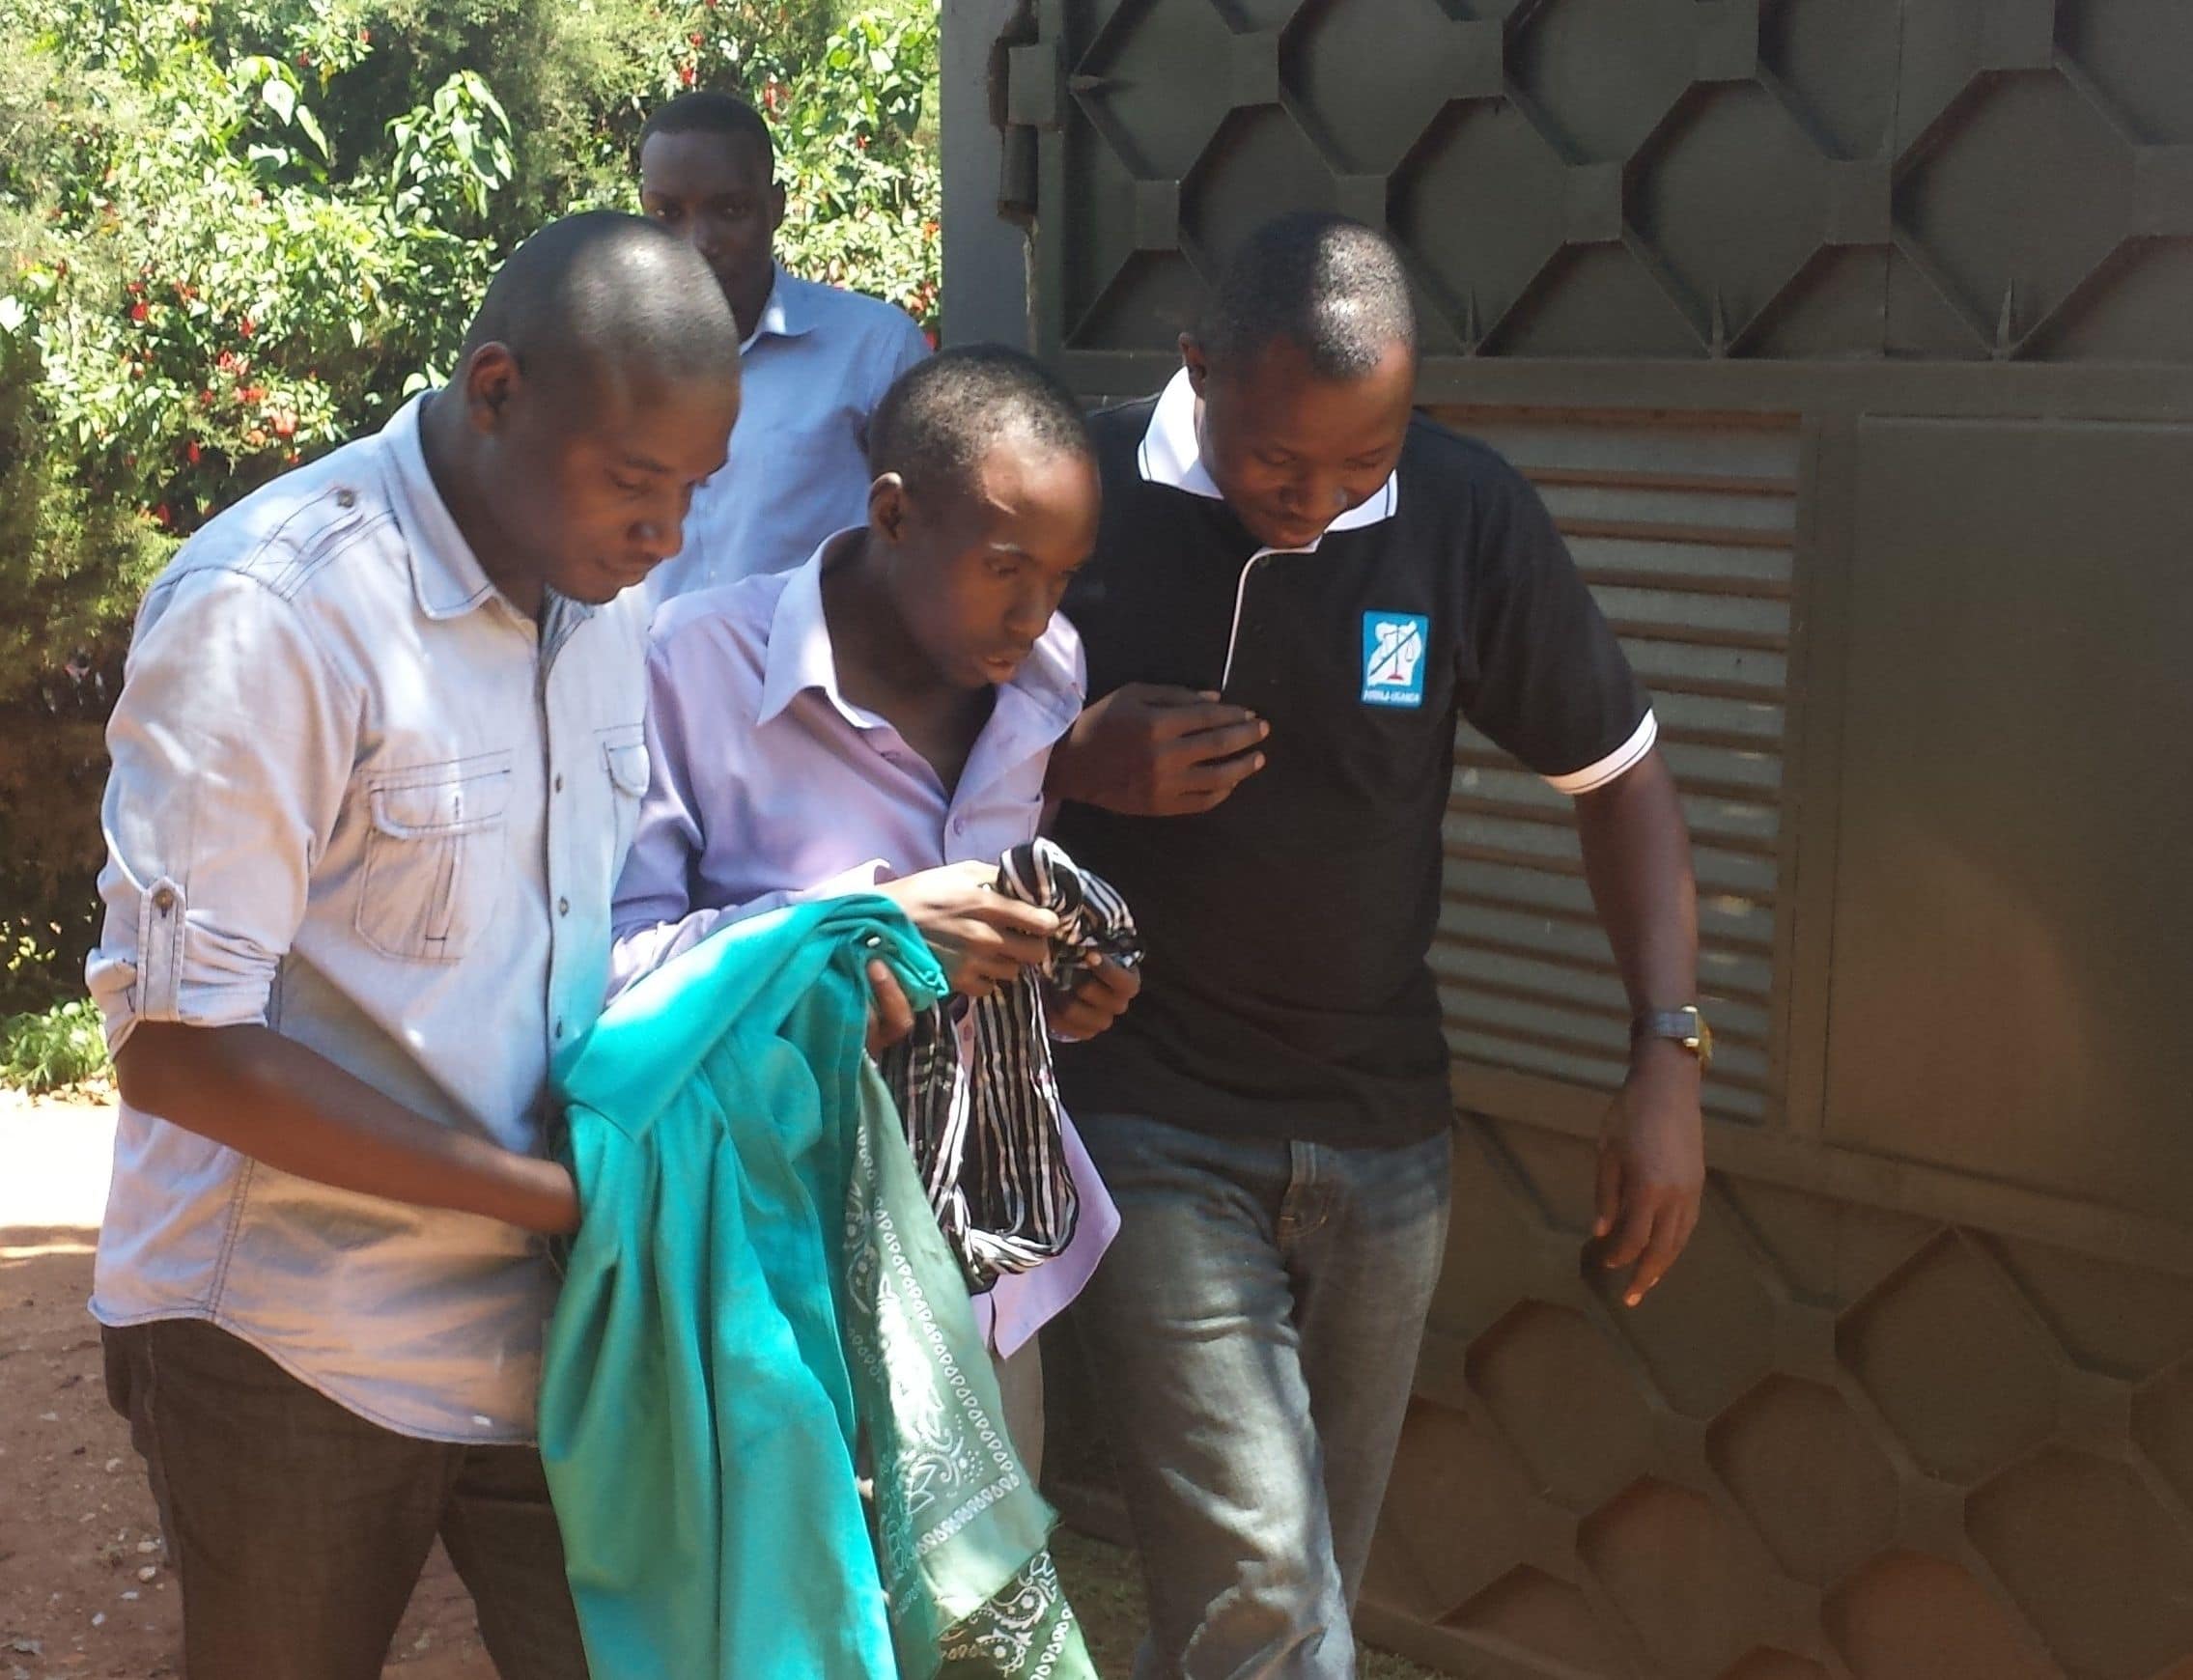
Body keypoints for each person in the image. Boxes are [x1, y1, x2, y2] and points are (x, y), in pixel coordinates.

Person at [1047, 212, 1709, 1678]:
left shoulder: (1463, 514)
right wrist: (1069, 765)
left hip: (1383, 1147)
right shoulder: (1072, 486)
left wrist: (1666, 1050)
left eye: (1367, 459)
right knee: (1274, 1603)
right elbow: (891, 752)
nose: (1322, 500)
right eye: (1281, 460)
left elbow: (1623, 783)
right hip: (1144, 1121)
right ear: (1196, 370)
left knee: (1276, 1604)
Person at [83, 211, 743, 1680]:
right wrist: (544, 1196)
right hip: (290, 1340)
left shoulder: (604, 609)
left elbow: (574, 941)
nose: (667, 537)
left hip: (552, 1332)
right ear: (497, 388)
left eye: (696, 492)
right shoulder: (276, 611)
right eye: (637, 482)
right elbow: (182, 1051)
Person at [608, 344, 1135, 1470]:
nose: (1036, 613)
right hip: (769, 1266)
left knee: (979, 1636)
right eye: (1006, 569)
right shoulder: (689, 669)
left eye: (1063, 576)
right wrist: (860, 935)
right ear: (894, 516)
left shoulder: (1046, 677)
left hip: (985, 1272)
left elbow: (989, 942)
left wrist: (1056, 984)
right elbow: (613, 973)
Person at [633, 89, 931, 603]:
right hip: (643, 680)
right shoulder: (608, 365)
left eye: (729, 209)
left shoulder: (873, 348)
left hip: (809, 678)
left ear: (775, 208)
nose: (698, 240)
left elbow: (929, 544)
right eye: (667, 214)